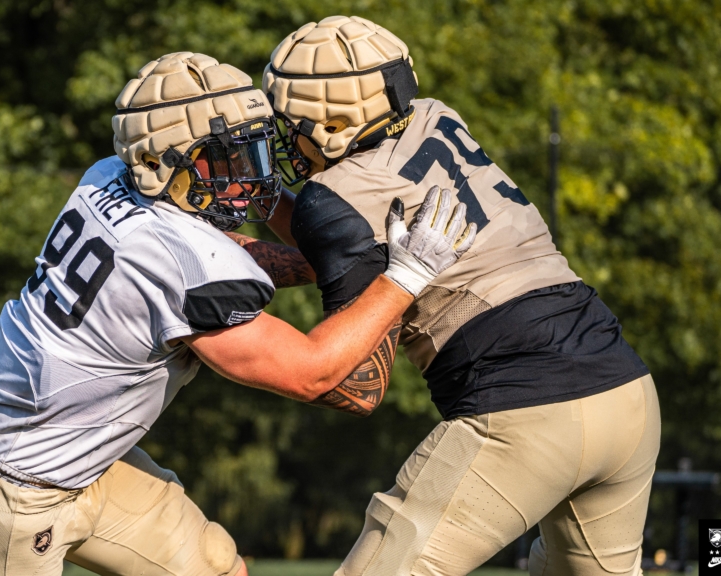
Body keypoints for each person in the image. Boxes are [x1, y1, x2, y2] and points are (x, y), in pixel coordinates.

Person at [0, 52, 476, 576]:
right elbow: (314, 374)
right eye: (227, 157)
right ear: (160, 164)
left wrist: (330, 256)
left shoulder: (109, 174)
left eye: (251, 149)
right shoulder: (179, 260)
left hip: (76, 459)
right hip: (4, 497)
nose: (248, 173)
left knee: (217, 566)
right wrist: (405, 274)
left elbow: (216, 255)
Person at [252, 16, 661, 576]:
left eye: (289, 119)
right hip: (626, 392)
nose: (281, 132)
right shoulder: (436, 116)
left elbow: (355, 387)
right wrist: (266, 199)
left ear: (334, 123)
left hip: (522, 412)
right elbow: (350, 239)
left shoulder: (332, 196)